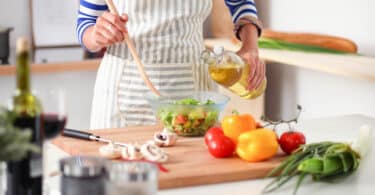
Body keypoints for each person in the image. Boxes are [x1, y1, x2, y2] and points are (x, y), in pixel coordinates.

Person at [77, 0, 265, 129]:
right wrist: (97, 34)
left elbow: (242, 3)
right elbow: (86, 24)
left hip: (192, 94)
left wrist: (250, 45)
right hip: (124, 95)